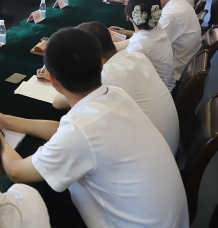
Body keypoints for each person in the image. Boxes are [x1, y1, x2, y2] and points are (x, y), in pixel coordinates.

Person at [0, 28, 189, 228]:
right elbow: (60, 130)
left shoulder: (81, 131)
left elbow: (16, 172)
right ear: (101, 65)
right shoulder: (115, 94)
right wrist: (4, 120)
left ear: (53, 81)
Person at [77, 22, 179, 154]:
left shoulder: (108, 75)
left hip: (154, 151)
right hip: (169, 145)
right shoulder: (138, 57)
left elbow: (61, 102)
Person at [110, 0, 175, 91]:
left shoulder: (140, 45)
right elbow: (132, 41)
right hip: (164, 87)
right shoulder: (157, 28)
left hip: (157, 91)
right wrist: (117, 37)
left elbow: (119, 73)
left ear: (129, 15)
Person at [144, 0, 201, 81]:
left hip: (171, 77)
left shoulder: (172, 14)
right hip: (179, 67)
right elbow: (150, 37)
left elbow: (146, 46)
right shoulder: (178, 3)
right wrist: (127, 33)